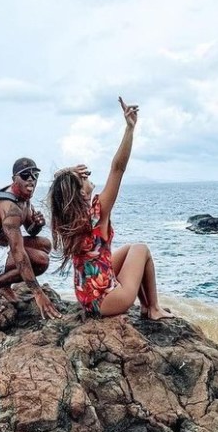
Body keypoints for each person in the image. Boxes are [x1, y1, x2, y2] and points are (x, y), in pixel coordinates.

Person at [48, 98, 173, 319]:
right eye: (84, 178)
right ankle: (152, 308)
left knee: (128, 250)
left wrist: (66, 174)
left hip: (87, 298)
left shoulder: (67, 220)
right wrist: (129, 128)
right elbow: (118, 168)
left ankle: (146, 307)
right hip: (108, 302)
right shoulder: (97, 213)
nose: (88, 177)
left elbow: (57, 193)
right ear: (81, 193)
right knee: (142, 249)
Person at [0, 158, 61, 320]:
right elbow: (18, 252)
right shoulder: (9, 206)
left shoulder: (24, 200)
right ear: (14, 180)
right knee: (41, 261)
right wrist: (37, 292)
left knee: (45, 245)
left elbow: (30, 231)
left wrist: (37, 225)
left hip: (1, 249)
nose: (31, 178)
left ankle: (4, 285)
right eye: (25, 175)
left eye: (35, 174)